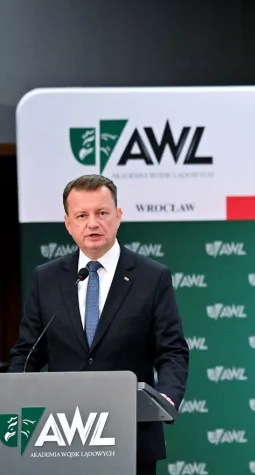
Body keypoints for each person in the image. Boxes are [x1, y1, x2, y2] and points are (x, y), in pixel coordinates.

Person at [8, 174, 190, 475]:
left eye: (102, 213)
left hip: (131, 435)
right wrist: (14, 403)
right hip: (61, 437)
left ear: (118, 216)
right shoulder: (47, 278)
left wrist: (167, 396)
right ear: (68, 223)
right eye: (82, 215)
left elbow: (172, 351)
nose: (92, 223)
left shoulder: (151, 276)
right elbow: (27, 353)